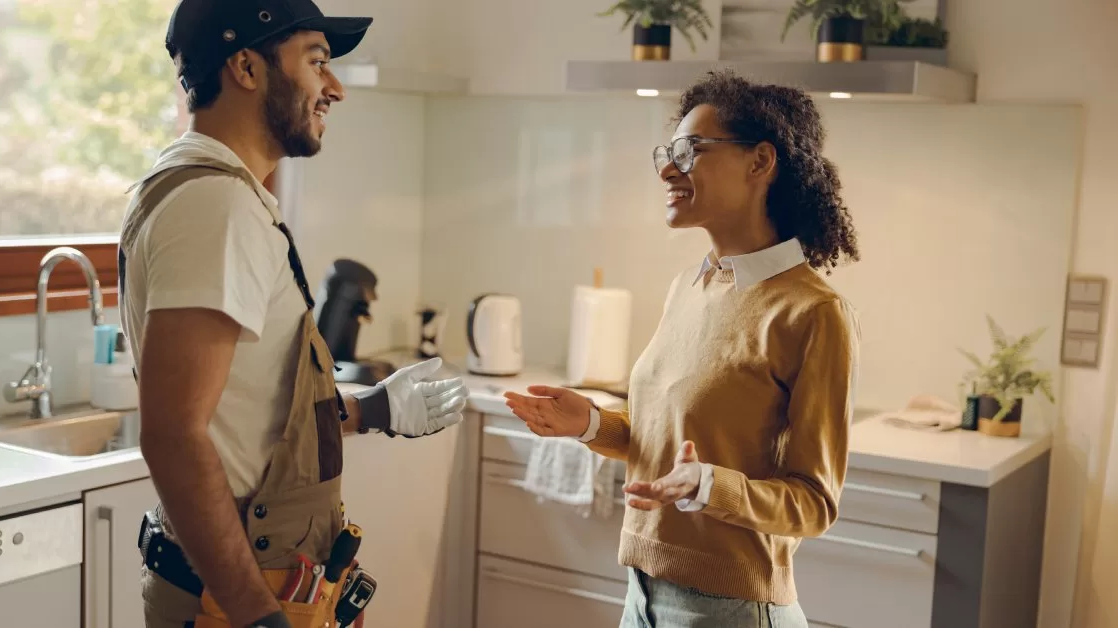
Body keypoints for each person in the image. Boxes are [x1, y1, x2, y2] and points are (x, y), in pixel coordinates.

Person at [117, 1, 469, 627]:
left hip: (277, 582)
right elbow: (174, 435)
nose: (334, 88)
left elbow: (241, 413)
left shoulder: (219, 193)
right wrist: (258, 615)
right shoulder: (215, 205)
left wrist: (365, 411)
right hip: (238, 598)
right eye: (317, 62)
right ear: (246, 67)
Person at [504, 69, 861, 628]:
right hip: (640, 595)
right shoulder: (691, 286)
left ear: (760, 162)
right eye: (667, 153)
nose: (669, 169)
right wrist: (592, 425)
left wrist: (708, 486)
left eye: (691, 151)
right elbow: (674, 444)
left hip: (734, 610)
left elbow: (813, 504)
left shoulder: (812, 313)